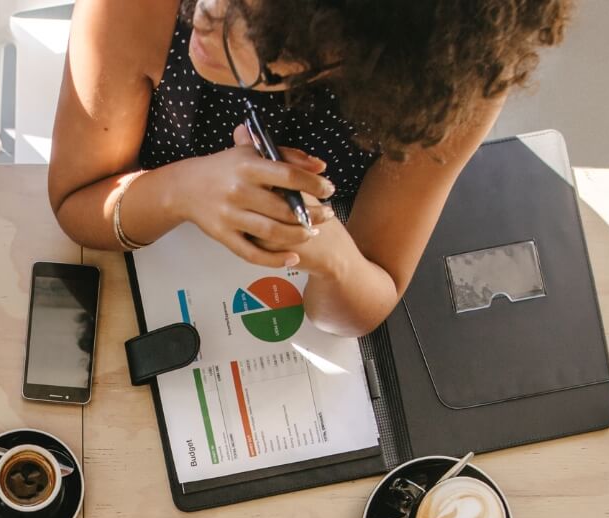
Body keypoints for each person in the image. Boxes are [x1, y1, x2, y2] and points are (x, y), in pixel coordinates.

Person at [49, 0, 573, 337]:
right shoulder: (138, 9)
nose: (206, 12)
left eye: (255, 23)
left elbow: (370, 293)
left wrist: (329, 253)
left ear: (365, 57)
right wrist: (182, 191)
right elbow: (75, 204)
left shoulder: (446, 84)